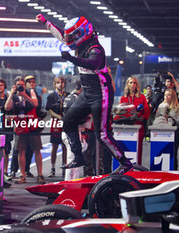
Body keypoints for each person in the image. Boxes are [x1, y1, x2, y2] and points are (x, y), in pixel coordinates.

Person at [36, 14, 133, 174]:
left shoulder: (96, 49)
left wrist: (72, 60)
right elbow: (62, 36)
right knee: (67, 122)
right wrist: (46, 22)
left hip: (101, 93)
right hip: (87, 92)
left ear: (82, 33)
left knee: (102, 135)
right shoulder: (79, 44)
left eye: (73, 35)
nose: (70, 39)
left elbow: (93, 63)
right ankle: (78, 157)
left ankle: (124, 162)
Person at [5, 76, 45, 184]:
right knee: (21, 151)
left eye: (22, 85)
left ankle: (40, 174)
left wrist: (24, 95)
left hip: (32, 124)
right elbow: (7, 108)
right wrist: (12, 93)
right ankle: (22, 176)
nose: (21, 87)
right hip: (20, 125)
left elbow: (35, 104)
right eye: (18, 85)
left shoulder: (30, 91)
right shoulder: (13, 95)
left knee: (37, 150)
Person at [119, 77, 150, 165]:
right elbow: (119, 113)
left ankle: (137, 168)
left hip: (139, 127)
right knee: (125, 148)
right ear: (127, 85)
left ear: (137, 85)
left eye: (134, 83)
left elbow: (147, 113)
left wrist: (140, 117)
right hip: (126, 127)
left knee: (138, 149)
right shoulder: (123, 98)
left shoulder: (142, 97)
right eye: (131, 83)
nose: (133, 85)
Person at [153, 88, 179, 170]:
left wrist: (170, 118)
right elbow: (156, 119)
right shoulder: (161, 106)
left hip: (174, 133)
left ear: (173, 97)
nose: (166, 97)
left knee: (173, 154)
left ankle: (174, 170)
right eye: (165, 95)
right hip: (161, 133)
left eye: (168, 95)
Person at [0, 78, 13, 187]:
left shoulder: (8, 96)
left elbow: (9, 108)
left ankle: (5, 172)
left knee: (6, 150)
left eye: (1, 85)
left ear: (4, 86)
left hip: (7, 126)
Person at [45, 76, 68, 177]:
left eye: (62, 82)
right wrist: (58, 116)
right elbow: (49, 110)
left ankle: (64, 167)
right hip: (55, 122)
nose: (60, 84)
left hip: (66, 123)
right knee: (54, 146)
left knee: (65, 146)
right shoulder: (51, 96)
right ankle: (53, 168)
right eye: (58, 82)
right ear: (55, 84)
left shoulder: (68, 95)